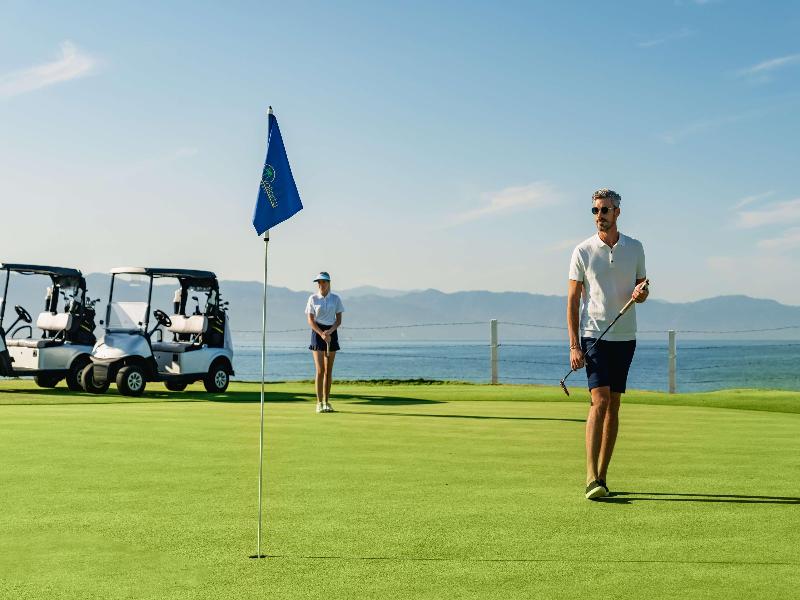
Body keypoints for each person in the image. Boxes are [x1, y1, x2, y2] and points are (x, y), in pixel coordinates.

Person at [567, 189, 649, 500]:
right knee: (599, 401)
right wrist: (574, 345)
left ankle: (602, 476)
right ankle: (590, 477)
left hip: (625, 337)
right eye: (595, 210)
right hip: (593, 336)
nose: (599, 215)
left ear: (617, 212)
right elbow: (572, 301)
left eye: (604, 210)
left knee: (614, 405)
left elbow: (642, 288)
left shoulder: (635, 248)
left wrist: (641, 293)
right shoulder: (582, 251)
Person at [305, 272, 344, 413]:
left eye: (324, 282)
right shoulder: (313, 298)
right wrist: (321, 333)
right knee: (320, 370)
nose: (321, 284)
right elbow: (310, 320)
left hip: (331, 332)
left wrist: (330, 332)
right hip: (317, 333)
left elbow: (338, 320)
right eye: (319, 282)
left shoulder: (336, 299)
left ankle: (327, 402)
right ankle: (319, 403)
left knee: (328, 371)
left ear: (329, 283)